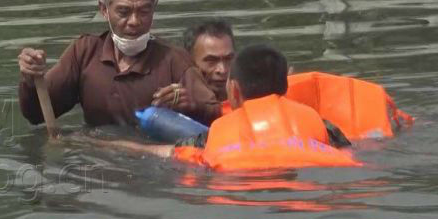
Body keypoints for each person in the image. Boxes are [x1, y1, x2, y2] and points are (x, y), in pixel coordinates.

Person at [98, 45, 358, 170]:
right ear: (286, 88)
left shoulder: (215, 134)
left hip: (235, 188)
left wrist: (99, 145)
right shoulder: (318, 122)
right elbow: (349, 151)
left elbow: (157, 152)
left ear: (233, 90)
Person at [17, 0, 220, 127]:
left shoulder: (173, 59)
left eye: (144, 11)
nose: (134, 21)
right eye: (123, 12)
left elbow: (217, 116)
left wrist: (189, 105)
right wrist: (30, 79)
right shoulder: (84, 52)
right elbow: (36, 115)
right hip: (97, 161)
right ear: (104, 9)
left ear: (154, 8)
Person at [183, 19, 235, 102]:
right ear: (190, 62)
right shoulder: (177, 105)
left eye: (228, 59)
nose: (223, 70)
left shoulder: (254, 98)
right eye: (211, 60)